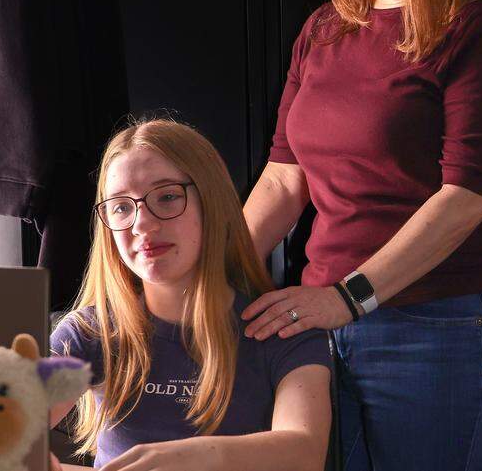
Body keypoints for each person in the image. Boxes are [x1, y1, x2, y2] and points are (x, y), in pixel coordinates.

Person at [240, 0, 482, 469]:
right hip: (317, 332)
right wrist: (204, 280)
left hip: (437, 333)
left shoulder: (474, 31)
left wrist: (347, 297)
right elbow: (284, 182)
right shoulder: (324, 29)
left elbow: (466, 199)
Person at [47, 118, 332, 471]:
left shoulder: (283, 329)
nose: (142, 224)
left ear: (213, 203)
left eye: (167, 197)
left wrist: (194, 456)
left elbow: (305, 452)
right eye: (121, 206)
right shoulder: (89, 333)